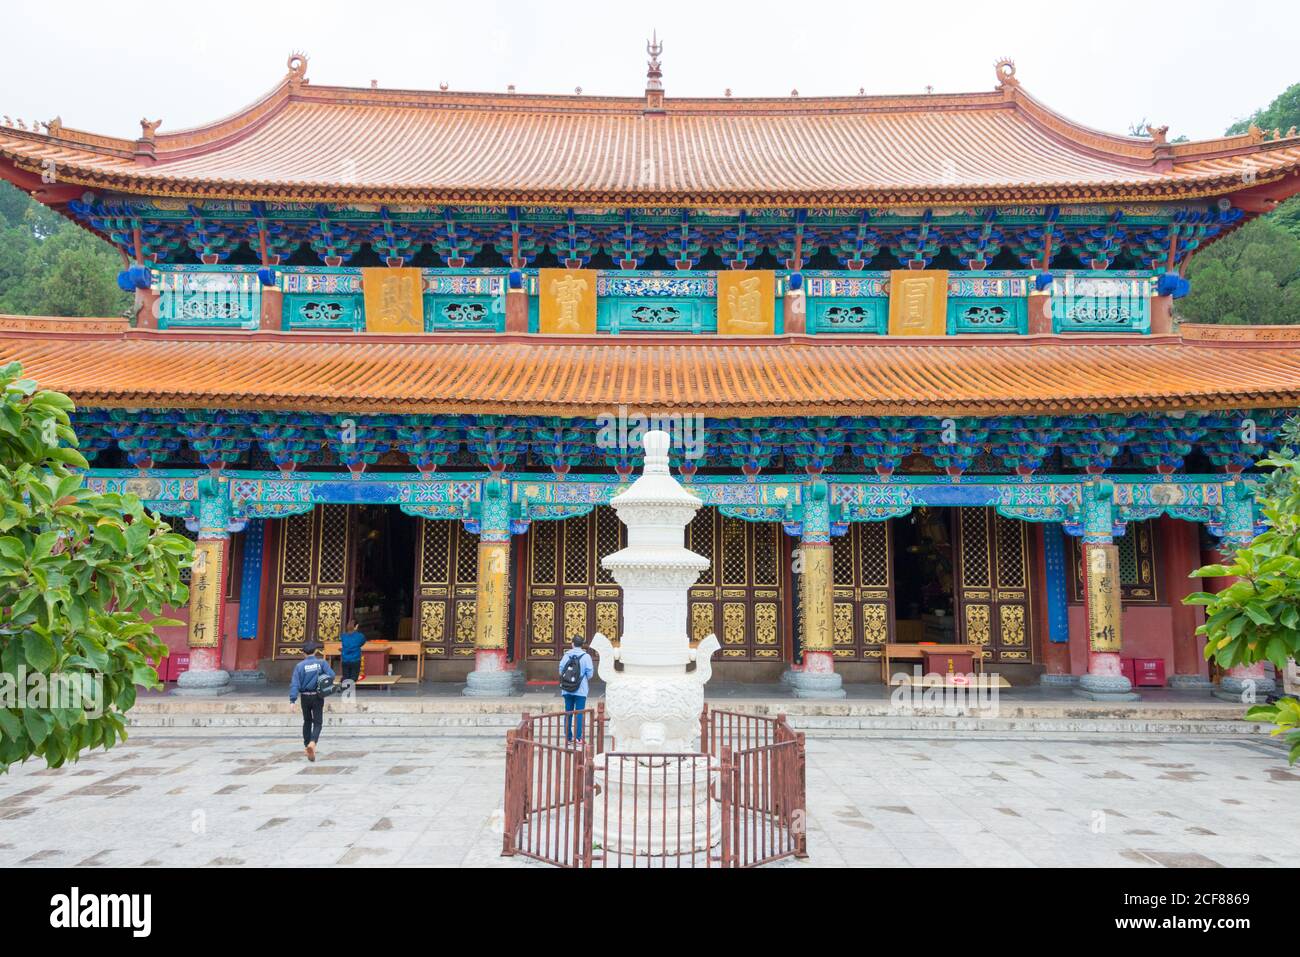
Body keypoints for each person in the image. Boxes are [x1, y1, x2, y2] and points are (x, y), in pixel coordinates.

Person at [289, 640, 335, 762]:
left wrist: (292, 700)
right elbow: (332, 675)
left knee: (307, 721)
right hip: (318, 696)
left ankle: (306, 746)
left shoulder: (299, 666)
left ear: (303, 653)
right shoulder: (321, 663)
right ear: (315, 651)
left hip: (305, 696)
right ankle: (313, 743)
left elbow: (295, 684)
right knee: (318, 722)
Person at [557, 636, 594, 744]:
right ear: (582, 644)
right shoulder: (586, 657)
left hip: (567, 689)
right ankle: (578, 738)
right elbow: (590, 674)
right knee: (579, 713)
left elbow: (560, 671)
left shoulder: (566, 655)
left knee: (568, 712)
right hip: (581, 690)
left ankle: (568, 738)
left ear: (572, 643)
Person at [338, 618, 366, 688]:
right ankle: (347, 687)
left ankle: (342, 685)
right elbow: (362, 643)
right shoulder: (360, 636)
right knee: (354, 677)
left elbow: (342, 641)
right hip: (355, 659)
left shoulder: (343, 636)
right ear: (356, 626)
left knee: (345, 676)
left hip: (345, 659)